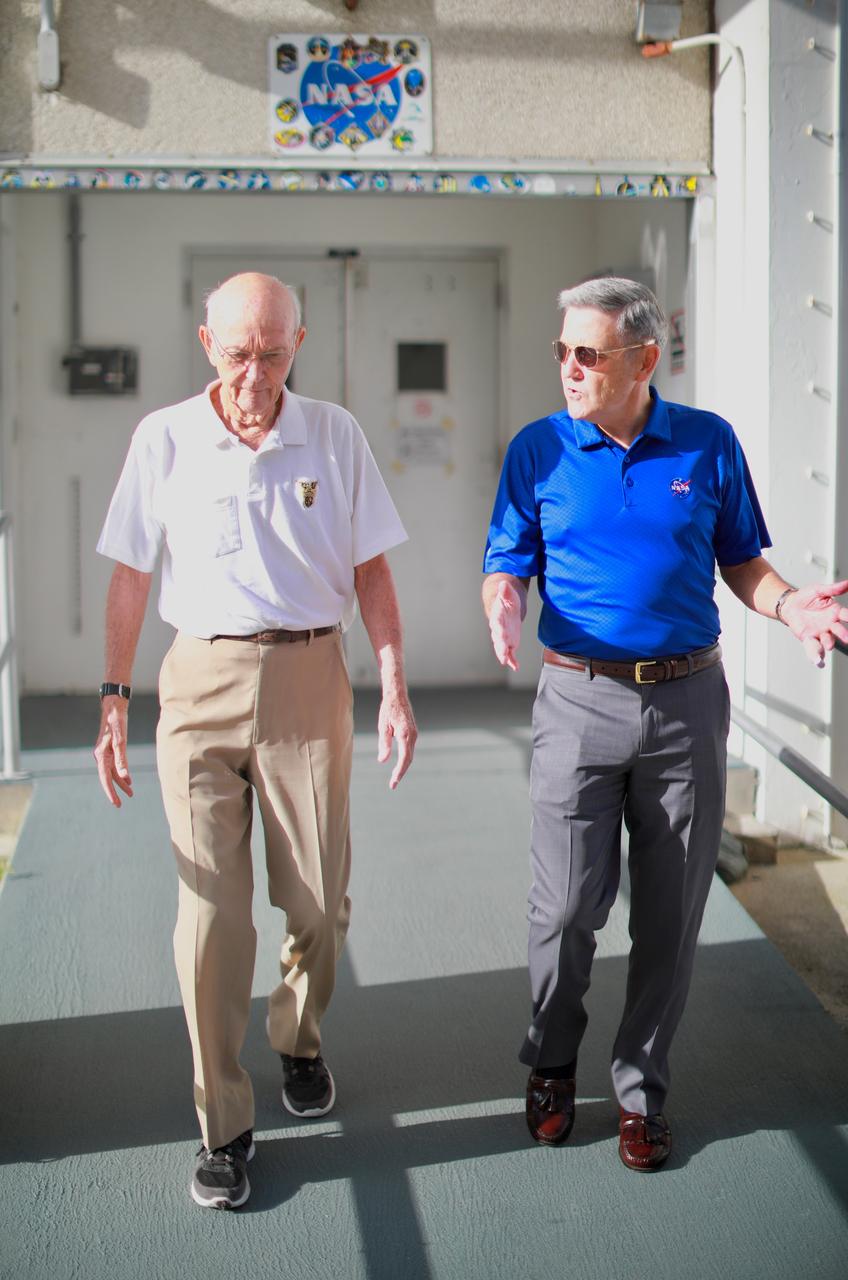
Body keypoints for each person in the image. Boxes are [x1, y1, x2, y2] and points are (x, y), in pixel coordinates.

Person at [482, 276, 848, 1171]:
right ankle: (554, 1061)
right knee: (566, 905)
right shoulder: (537, 450)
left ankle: (642, 1088)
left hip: (687, 705)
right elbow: (507, 558)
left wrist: (791, 603)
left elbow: (743, 563)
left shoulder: (707, 442)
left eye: (588, 354)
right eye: (562, 351)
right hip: (577, 700)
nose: (569, 368)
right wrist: (501, 597)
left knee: (670, 913)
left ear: (645, 359)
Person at [94, 272, 417, 1209]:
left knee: (318, 908)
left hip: (310, 681)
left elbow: (372, 571)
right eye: (238, 352)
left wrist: (392, 680)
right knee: (209, 917)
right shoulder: (162, 439)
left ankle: (297, 1034)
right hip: (196, 684)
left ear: (298, 344)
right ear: (206, 344)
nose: (254, 373)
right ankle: (223, 1123)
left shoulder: (335, 434)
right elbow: (126, 577)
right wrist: (114, 696)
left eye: (273, 352)